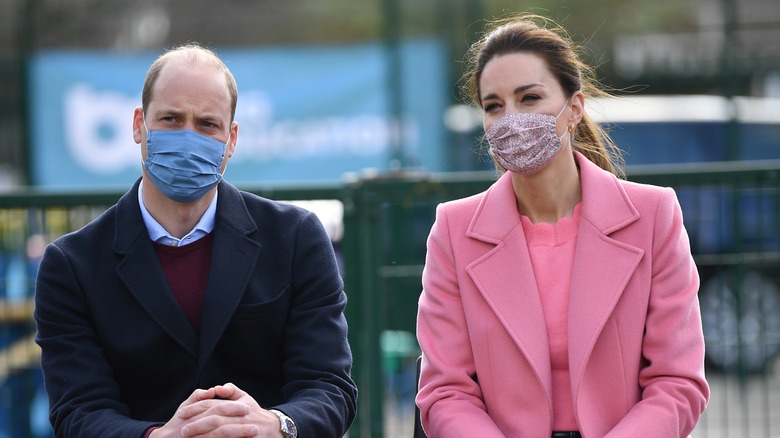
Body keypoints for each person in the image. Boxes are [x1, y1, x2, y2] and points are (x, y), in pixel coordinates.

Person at [33, 43, 357, 438]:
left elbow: (329, 387)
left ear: (231, 139)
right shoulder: (73, 264)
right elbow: (78, 410)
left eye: (207, 124)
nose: (188, 139)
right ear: (139, 125)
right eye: (170, 119)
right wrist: (160, 437)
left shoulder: (295, 239)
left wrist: (274, 425)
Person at [415, 13, 709, 438]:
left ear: (574, 108)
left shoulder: (653, 216)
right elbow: (445, 391)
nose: (510, 119)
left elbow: (677, 382)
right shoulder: (454, 230)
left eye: (529, 97)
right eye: (494, 105)